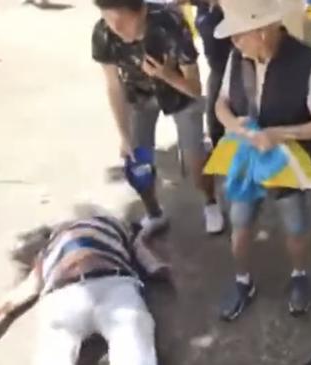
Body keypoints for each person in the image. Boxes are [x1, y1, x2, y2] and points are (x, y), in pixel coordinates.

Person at [208, 0, 311, 321]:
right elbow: (221, 104)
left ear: (263, 32)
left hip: (288, 159)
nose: (234, 42)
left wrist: (280, 134)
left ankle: (299, 276)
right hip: (246, 156)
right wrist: (236, 125)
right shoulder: (238, 57)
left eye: (239, 35)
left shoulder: (309, 63)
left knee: (295, 225)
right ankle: (242, 282)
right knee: (239, 223)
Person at [92, 0, 224, 235]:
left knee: (195, 159)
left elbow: (195, 88)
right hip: (139, 97)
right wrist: (124, 135)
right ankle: (154, 212)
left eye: (121, 21)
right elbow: (114, 87)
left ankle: (210, 202)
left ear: (141, 11)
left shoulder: (170, 23)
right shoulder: (103, 32)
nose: (115, 28)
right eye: (108, 19)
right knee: (137, 161)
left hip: (179, 94)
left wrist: (166, 74)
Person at [0, 215, 168, 365]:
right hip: (73, 293)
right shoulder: (47, 249)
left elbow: (140, 245)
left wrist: (154, 265)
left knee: (133, 342)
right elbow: (28, 287)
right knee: (53, 353)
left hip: (110, 286)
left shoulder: (116, 226)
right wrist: (1, 313)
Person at [193, 0, 233, 147]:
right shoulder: (201, 4)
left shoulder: (229, 6)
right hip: (215, 69)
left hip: (234, 66)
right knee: (214, 121)